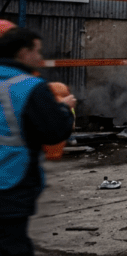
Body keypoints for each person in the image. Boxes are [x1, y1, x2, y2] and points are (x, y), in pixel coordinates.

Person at [0, 23, 76, 255]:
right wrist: (63, 109)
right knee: (12, 245)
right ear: (24, 52)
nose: (40, 58)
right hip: (12, 180)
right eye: (37, 51)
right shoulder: (30, 87)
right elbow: (53, 132)